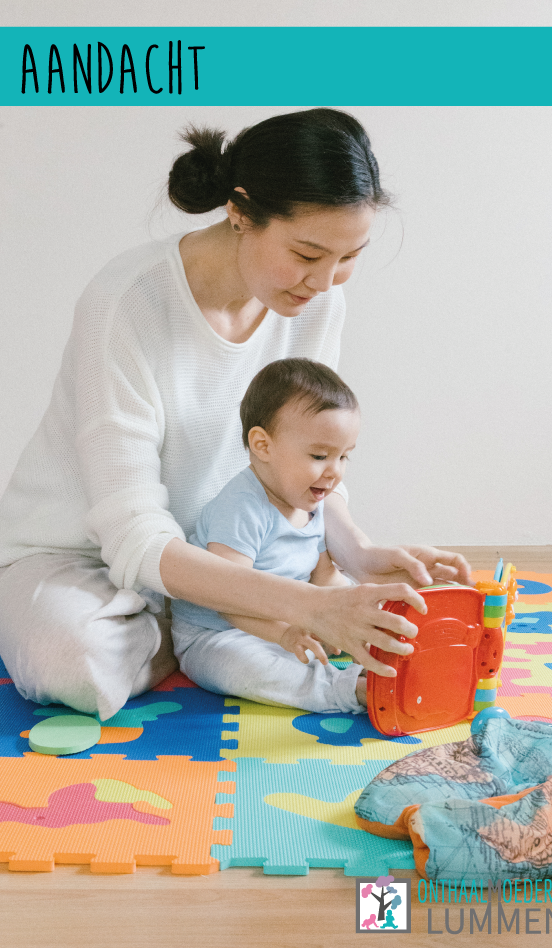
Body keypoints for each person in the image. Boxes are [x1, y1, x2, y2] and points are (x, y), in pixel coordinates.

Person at [0, 108, 472, 723]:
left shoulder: (315, 303)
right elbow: (133, 534)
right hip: (81, 556)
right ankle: (198, 628)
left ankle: (209, 622)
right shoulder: (126, 303)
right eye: (306, 253)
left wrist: (355, 550)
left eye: (348, 256)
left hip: (230, 551)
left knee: (335, 613)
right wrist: (309, 606)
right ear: (240, 211)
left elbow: (310, 443)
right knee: (74, 664)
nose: (324, 282)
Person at [171, 357, 419, 713]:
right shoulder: (241, 508)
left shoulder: (310, 501)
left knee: (361, 623)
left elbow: (325, 577)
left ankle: (381, 665)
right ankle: (346, 691)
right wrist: (283, 633)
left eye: (344, 457)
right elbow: (228, 600)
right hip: (220, 633)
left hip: (293, 621)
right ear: (263, 445)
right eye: (320, 455)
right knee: (252, 669)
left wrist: (363, 614)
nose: (335, 472)